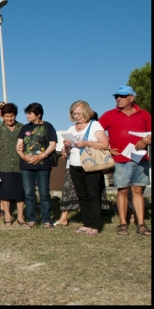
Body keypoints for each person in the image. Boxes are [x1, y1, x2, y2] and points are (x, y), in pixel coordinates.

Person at [98, 85, 152, 236]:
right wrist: (106, 148)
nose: (118, 99)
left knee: (138, 190)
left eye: (121, 96)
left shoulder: (145, 115)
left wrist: (147, 140)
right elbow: (97, 133)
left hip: (141, 159)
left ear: (131, 98)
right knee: (122, 190)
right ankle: (123, 223)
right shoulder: (109, 115)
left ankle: (141, 224)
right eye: (116, 96)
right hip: (120, 159)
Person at [62, 101, 110, 237]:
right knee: (82, 195)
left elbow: (105, 144)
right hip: (74, 164)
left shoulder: (94, 125)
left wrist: (86, 143)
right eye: (74, 114)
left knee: (93, 195)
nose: (77, 116)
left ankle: (95, 226)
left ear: (86, 112)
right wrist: (66, 145)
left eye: (79, 113)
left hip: (91, 165)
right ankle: (86, 223)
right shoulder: (72, 128)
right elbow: (68, 151)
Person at [16, 103, 58, 229]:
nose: (27, 116)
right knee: (29, 194)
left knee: (44, 193)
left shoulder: (48, 126)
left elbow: (52, 145)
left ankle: (46, 220)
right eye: (27, 113)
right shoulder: (24, 128)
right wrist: (24, 156)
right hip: (26, 166)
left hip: (43, 165)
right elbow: (18, 146)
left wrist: (41, 156)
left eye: (30, 113)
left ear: (38, 114)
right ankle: (32, 219)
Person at [0, 103, 26, 226]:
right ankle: (8, 216)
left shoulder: (22, 127)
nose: (10, 119)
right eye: (7, 116)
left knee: (20, 192)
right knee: (4, 191)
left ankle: (20, 216)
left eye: (12, 116)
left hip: (19, 163)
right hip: (3, 162)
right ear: (2, 116)